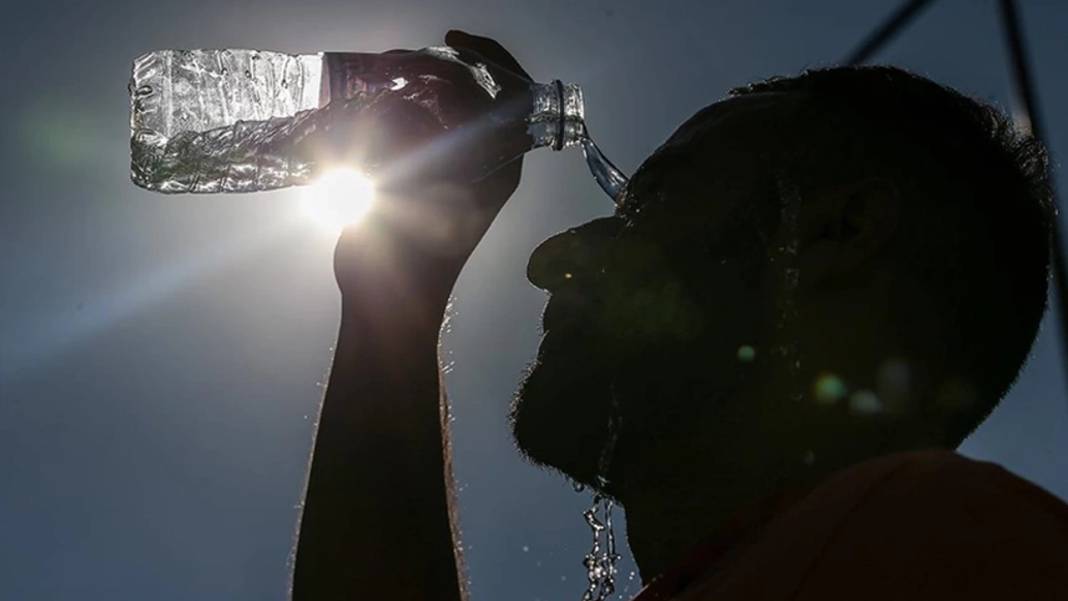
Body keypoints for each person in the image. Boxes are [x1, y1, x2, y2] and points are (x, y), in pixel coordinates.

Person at [288, 30, 1068, 601]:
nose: (552, 258)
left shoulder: (947, 545)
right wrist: (395, 301)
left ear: (835, 233)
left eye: (653, 201)